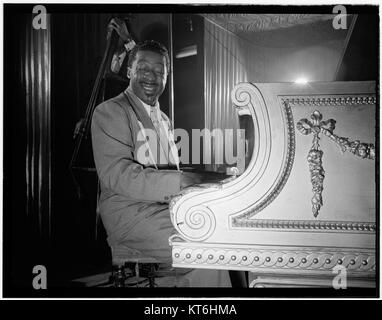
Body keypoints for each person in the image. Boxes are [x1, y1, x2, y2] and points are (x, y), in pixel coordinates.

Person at [91, 36, 232, 287]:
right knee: (209, 244)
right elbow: (118, 175)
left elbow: (168, 170)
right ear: (129, 71)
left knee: (222, 233)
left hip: (163, 211)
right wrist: (184, 181)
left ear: (166, 77)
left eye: (160, 71)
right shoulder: (110, 111)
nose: (151, 76)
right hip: (130, 214)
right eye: (143, 68)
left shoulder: (165, 120)